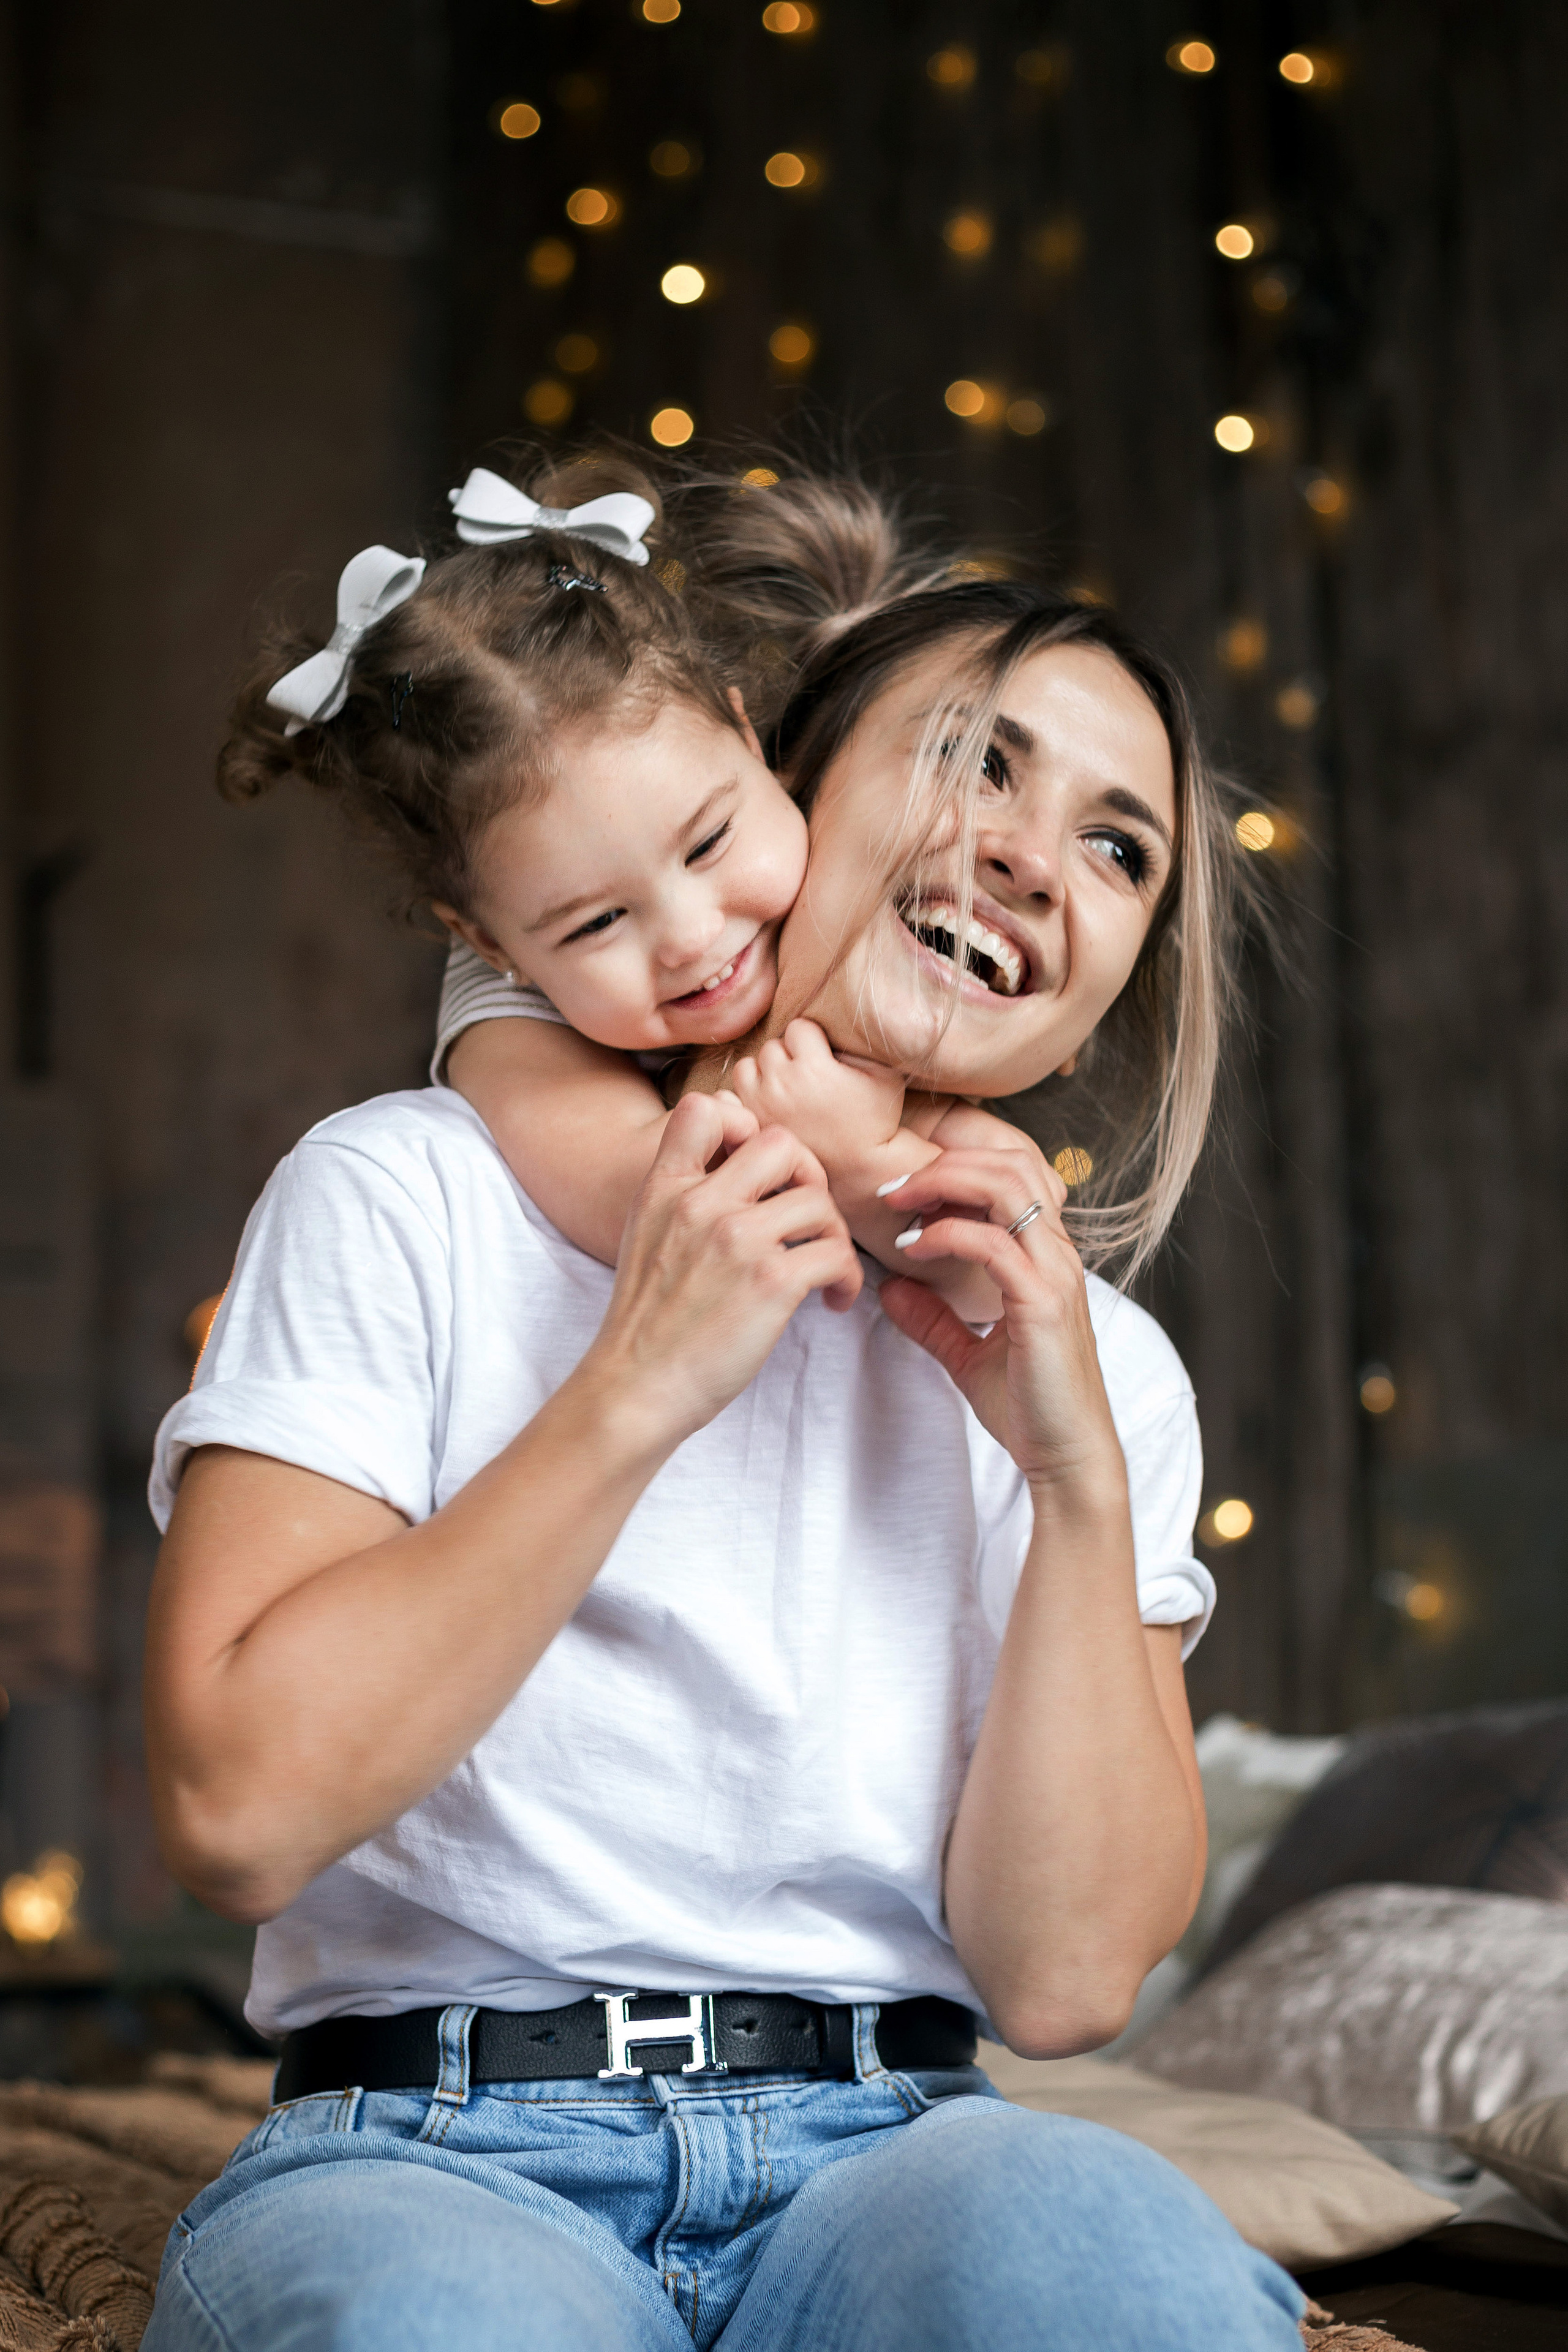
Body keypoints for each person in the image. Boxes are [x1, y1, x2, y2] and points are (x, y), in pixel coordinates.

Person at [140, 459, 1303, 2350]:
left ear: (1102, 998)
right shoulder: (412, 1192)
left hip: (894, 2149)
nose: (1034, 858)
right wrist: (638, 1387)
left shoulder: (1107, 1375)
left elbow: (1068, 1983)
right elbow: (235, 1815)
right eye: (977, 762)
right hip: (439, 2144)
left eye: (1120, 848)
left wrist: (1075, 1477)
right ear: (782, 777)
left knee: (1114, 2265)